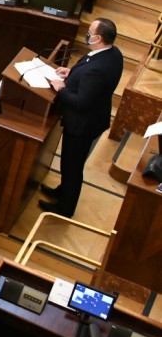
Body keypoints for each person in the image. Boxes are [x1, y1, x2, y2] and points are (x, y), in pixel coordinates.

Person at [40, 18, 123, 218]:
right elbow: (91, 76)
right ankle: (62, 191)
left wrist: (61, 88)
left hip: (82, 125)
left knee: (72, 166)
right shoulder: (113, 53)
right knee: (70, 164)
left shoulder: (97, 70)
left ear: (99, 38)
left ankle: (64, 209)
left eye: (90, 32)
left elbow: (80, 102)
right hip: (92, 118)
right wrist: (72, 74)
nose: (87, 34)